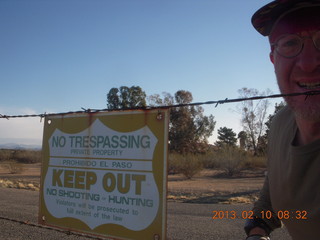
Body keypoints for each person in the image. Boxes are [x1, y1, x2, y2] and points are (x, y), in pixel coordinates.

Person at [244, 1, 320, 240]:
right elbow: (275, 187)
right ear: (274, 59)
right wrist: (258, 229)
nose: (309, 63)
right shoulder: (281, 122)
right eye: (289, 43)